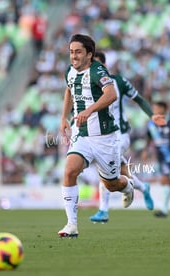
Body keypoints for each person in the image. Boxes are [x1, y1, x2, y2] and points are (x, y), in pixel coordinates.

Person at [58, 34, 138, 238]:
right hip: (82, 134)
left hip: (104, 137)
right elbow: (69, 91)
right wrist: (64, 118)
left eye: (78, 52)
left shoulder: (97, 70)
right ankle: (71, 225)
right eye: (71, 52)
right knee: (69, 172)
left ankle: (128, 186)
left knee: (112, 184)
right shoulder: (70, 71)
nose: (73, 56)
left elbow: (111, 94)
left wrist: (89, 110)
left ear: (89, 54)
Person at [89, 51, 165, 223]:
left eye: (98, 65)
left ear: (105, 66)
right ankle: (141, 186)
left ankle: (103, 211)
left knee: (104, 166)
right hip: (101, 136)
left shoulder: (119, 82)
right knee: (113, 171)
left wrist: (152, 115)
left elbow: (138, 99)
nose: (95, 69)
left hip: (120, 134)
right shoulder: (87, 86)